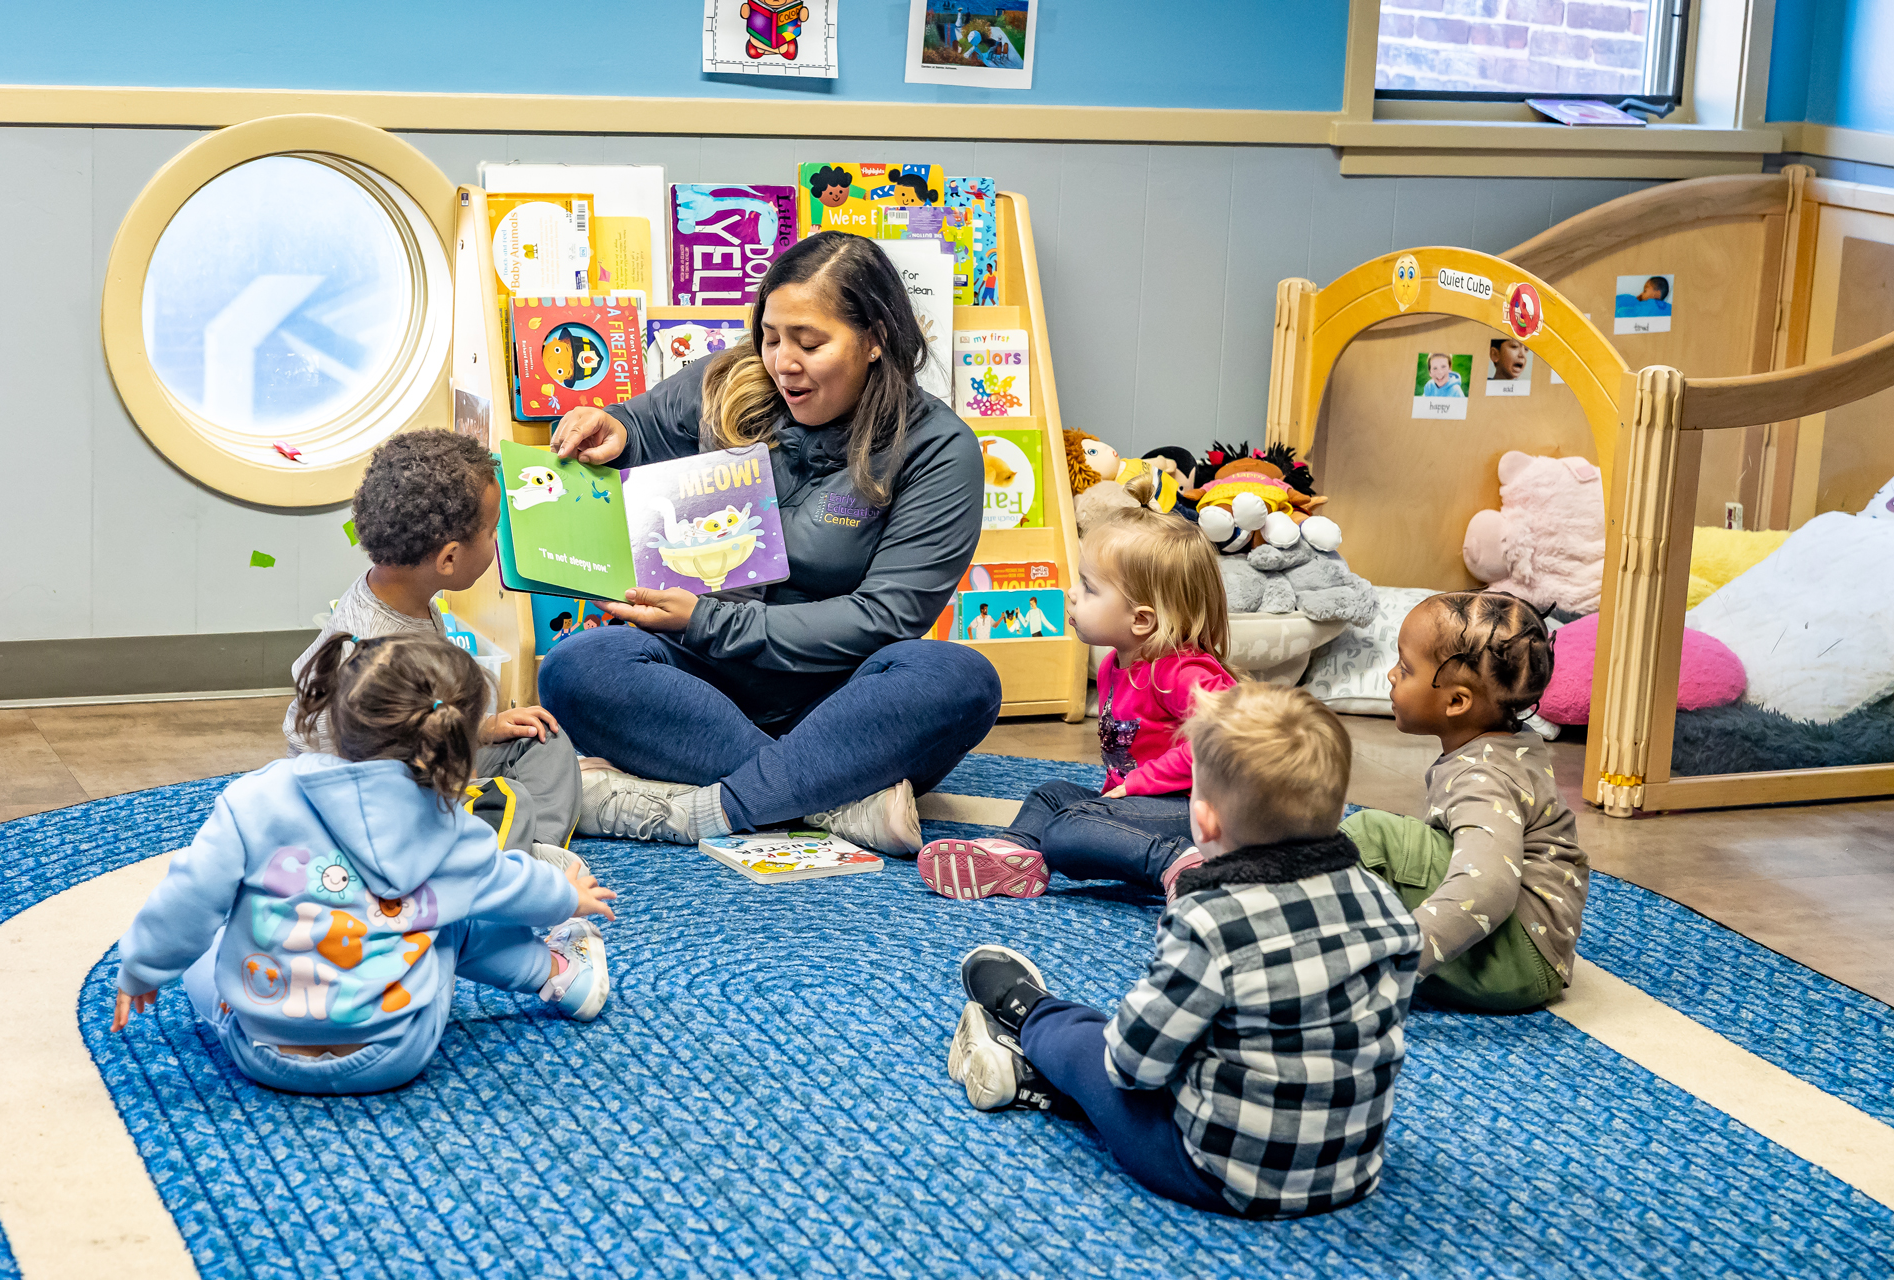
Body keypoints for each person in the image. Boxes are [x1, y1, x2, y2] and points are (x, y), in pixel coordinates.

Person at [539, 232, 999, 856]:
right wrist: (612, 426)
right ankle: (834, 802)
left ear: (876, 338)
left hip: (841, 701)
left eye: (810, 342)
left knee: (958, 678)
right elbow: (641, 423)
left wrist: (710, 621)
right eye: (771, 335)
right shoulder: (735, 380)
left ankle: (702, 808)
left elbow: (889, 617)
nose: (782, 361)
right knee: (577, 666)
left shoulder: (938, 448)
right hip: (701, 687)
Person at [942, 683, 1422, 1218]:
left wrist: (1092, 1040)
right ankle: (1033, 1082)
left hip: (1215, 1173)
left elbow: (1132, 1064)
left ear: (1206, 819)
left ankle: (1028, 1013)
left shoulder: (1211, 918)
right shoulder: (1384, 902)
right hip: (1351, 1170)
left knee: (1089, 1046)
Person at [111, 635, 618, 1095]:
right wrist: (570, 896)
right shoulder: (452, 829)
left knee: (216, 943)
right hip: (396, 1053)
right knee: (449, 916)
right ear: (461, 746)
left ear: (336, 715)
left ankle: (254, 1008)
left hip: (263, 1053)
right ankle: (559, 973)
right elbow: (513, 886)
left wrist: (142, 969)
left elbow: (189, 896)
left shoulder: (255, 797)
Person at [285, 431, 584, 868]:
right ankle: (511, 860)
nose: (496, 542)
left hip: (419, 755)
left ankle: (527, 848)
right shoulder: (374, 648)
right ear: (447, 558)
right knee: (509, 795)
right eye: (491, 531)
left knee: (545, 740)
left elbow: (425, 723)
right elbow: (372, 773)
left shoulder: (402, 594)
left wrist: (483, 728)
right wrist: (461, 777)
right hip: (370, 802)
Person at [917, 502, 1235, 901]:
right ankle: (1013, 854)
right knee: (1052, 795)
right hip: (1141, 806)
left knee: (1067, 829)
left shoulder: (1179, 674)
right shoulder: (1113, 668)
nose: (1071, 593)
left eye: (1088, 587)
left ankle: (1181, 866)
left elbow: (1228, 738)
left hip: (1199, 815)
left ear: (1142, 620)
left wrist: (1139, 784)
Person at [1342, 591, 1587, 1012]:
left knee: (1371, 835)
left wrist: (1394, 962)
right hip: (1528, 954)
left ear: (1456, 701)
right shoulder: (1505, 745)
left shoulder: (1483, 777)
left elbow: (1488, 887)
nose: (1391, 676)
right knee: (1405, 849)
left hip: (1513, 958)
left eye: (1405, 667)